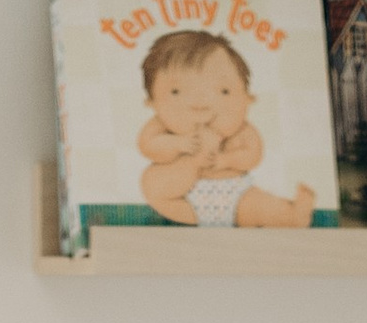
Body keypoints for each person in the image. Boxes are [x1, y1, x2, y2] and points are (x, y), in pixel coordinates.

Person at [132, 29, 317, 231]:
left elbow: (252, 155)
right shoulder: (159, 126)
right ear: (152, 102)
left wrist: (226, 160)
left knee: (258, 206)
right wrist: (177, 143)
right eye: (176, 92)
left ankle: (291, 216)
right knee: (153, 183)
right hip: (182, 200)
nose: (200, 105)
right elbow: (148, 146)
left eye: (223, 91)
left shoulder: (242, 130)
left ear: (247, 99)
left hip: (235, 194)